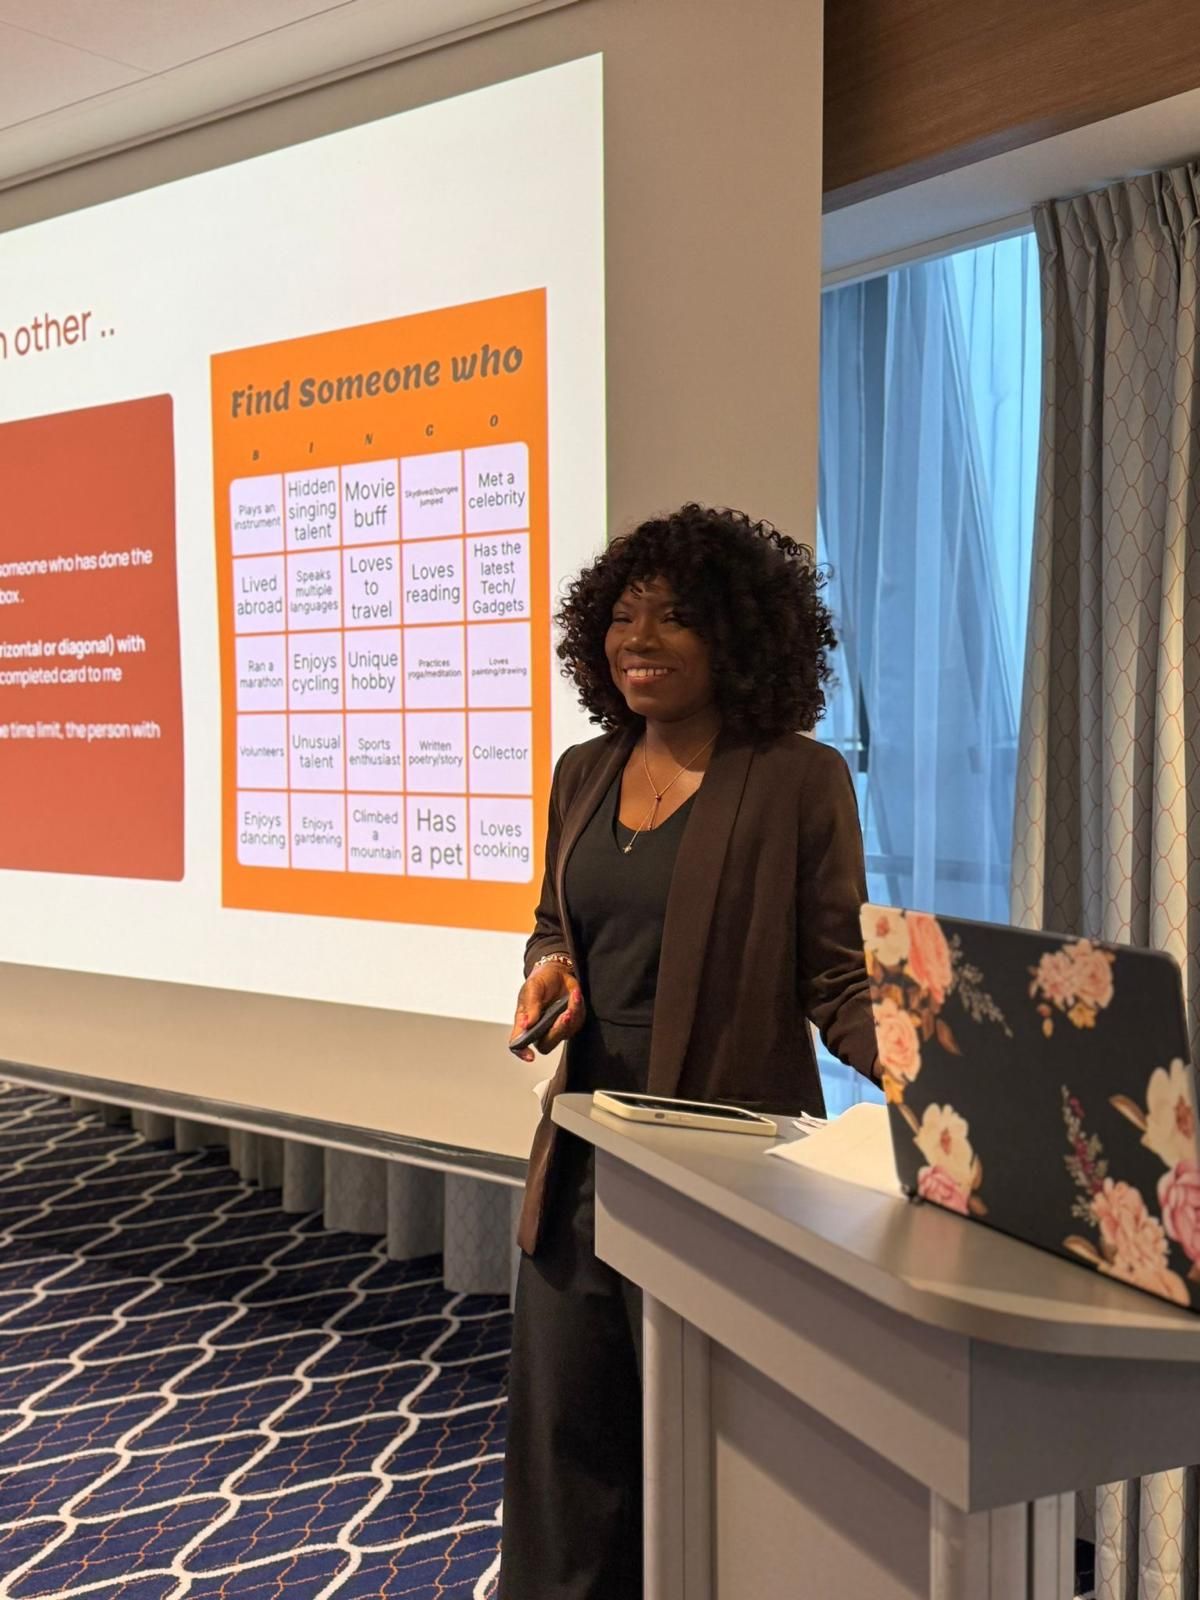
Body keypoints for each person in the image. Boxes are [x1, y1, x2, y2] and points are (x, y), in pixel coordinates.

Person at [498, 504, 880, 1600]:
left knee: (708, 1474)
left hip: (723, 1166)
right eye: (623, 617)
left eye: (675, 618)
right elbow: (555, 923)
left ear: (740, 636)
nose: (641, 640)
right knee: (568, 1466)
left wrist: (935, 1078)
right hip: (581, 1159)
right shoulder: (583, 771)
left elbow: (836, 976)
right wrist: (549, 969)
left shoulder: (797, 777)